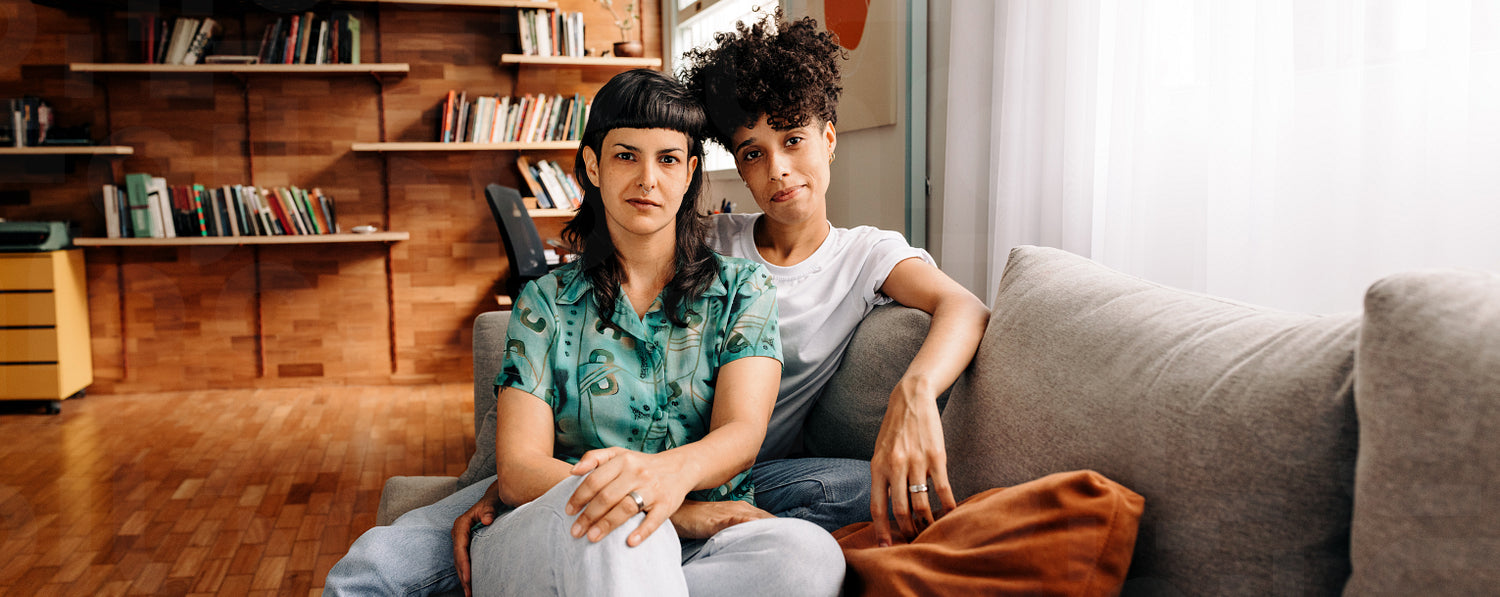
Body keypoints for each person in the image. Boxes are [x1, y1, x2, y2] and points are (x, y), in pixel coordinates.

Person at [326, 69, 844, 596]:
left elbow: (740, 435)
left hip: (704, 545)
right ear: (594, 166)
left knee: (810, 557)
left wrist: (666, 488)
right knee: (612, 527)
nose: (648, 179)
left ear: (690, 171)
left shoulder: (743, 289)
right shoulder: (546, 301)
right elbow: (520, 471)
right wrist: (673, 510)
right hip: (569, 527)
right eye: (626, 156)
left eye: (667, 159)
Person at [679, 10, 991, 548]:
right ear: (741, 168)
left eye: (793, 139)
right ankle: (697, 531)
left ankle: (735, 542)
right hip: (657, 450)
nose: (777, 168)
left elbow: (965, 307)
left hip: (753, 478)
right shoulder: (710, 240)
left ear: (828, 139)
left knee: (866, 489)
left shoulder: (864, 255)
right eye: (753, 153)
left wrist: (914, 392)